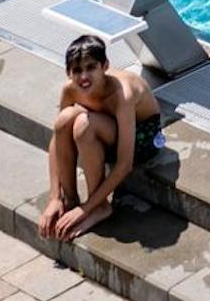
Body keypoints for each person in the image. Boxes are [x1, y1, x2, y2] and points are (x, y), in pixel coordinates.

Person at [38, 35, 162, 241]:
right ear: (68, 73)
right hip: (107, 128)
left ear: (105, 66)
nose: (84, 76)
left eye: (91, 68)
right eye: (77, 71)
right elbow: (57, 139)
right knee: (65, 119)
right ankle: (69, 200)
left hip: (143, 137)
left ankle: (100, 205)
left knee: (83, 125)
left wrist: (85, 210)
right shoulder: (70, 89)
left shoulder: (123, 94)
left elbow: (124, 164)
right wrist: (54, 198)